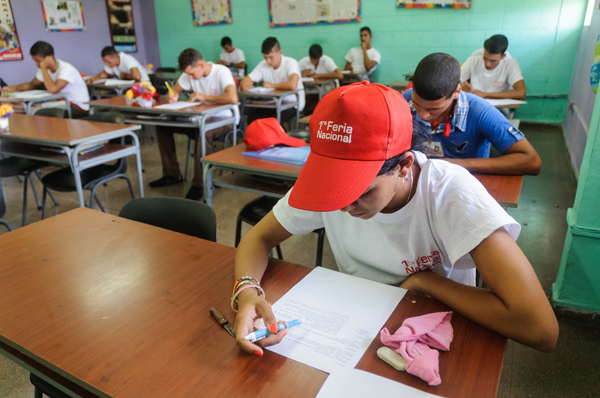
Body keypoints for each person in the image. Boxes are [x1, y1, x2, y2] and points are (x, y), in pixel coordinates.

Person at [231, 81, 558, 357]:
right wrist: (247, 291)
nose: (343, 205)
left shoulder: (449, 193)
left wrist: (425, 281)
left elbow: (539, 327)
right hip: (359, 323)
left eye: (360, 190)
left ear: (404, 165)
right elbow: (259, 238)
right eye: (334, 187)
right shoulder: (327, 185)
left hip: (435, 328)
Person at [402, 53, 540, 175]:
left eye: (434, 110)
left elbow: (531, 161)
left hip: (466, 181)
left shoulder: (481, 112)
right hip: (419, 177)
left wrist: (451, 165)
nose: (423, 115)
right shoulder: (406, 99)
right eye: (417, 105)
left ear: (456, 92)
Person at [148, 48, 239, 200]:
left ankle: (200, 183)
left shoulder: (221, 71)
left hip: (225, 118)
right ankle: (172, 174)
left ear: (201, 65)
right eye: (187, 74)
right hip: (199, 118)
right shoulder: (189, 73)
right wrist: (172, 95)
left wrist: (203, 97)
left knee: (203, 133)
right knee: (162, 125)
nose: (189, 77)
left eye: (191, 73)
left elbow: (233, 98)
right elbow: (175, 90)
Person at [1, 41, 90, 118]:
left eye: (38, 61)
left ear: (49, 58)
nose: (36, 64)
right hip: (60, 103)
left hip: (78, 107)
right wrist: (11, 88)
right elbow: (31, 85)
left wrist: (43, 68)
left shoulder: (66, 69)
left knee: (41, 113)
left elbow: (53, 89)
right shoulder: (44, 70)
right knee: (28, 110)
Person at [240, 37, 304, 125]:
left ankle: (278, 137)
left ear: (279, 53)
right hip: (272, 103)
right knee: (252, 119)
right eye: (265, 57)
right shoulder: (263, 64)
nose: (268, 61)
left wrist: (272, 85)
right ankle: (262, 138)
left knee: (272, 122)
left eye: (271, 57)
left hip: (292, 104)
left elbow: (293, 85)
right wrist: (244, 84)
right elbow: (246, 80)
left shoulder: (291, 63)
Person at [460, 34, 526, 100]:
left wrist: (485, 94)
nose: (487, 64)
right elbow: (455, 81)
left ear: (503, 56)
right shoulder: (473, 60)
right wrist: (461, 85)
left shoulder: (511, 64)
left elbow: (521, 93)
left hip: (498, 108)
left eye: (493, 61)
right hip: (474, 105)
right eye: (485, 58)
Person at [298, 44, 343, 115]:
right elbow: (293, 75)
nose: (313, 62)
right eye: (311, 59)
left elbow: (340, 75)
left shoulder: (326, 60)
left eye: (315, 60)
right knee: (305, 101)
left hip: (326, 89)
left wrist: (319, 76)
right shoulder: (305, 61)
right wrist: (303, 74)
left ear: (321, 56)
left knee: (317, 102)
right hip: (311, 90)